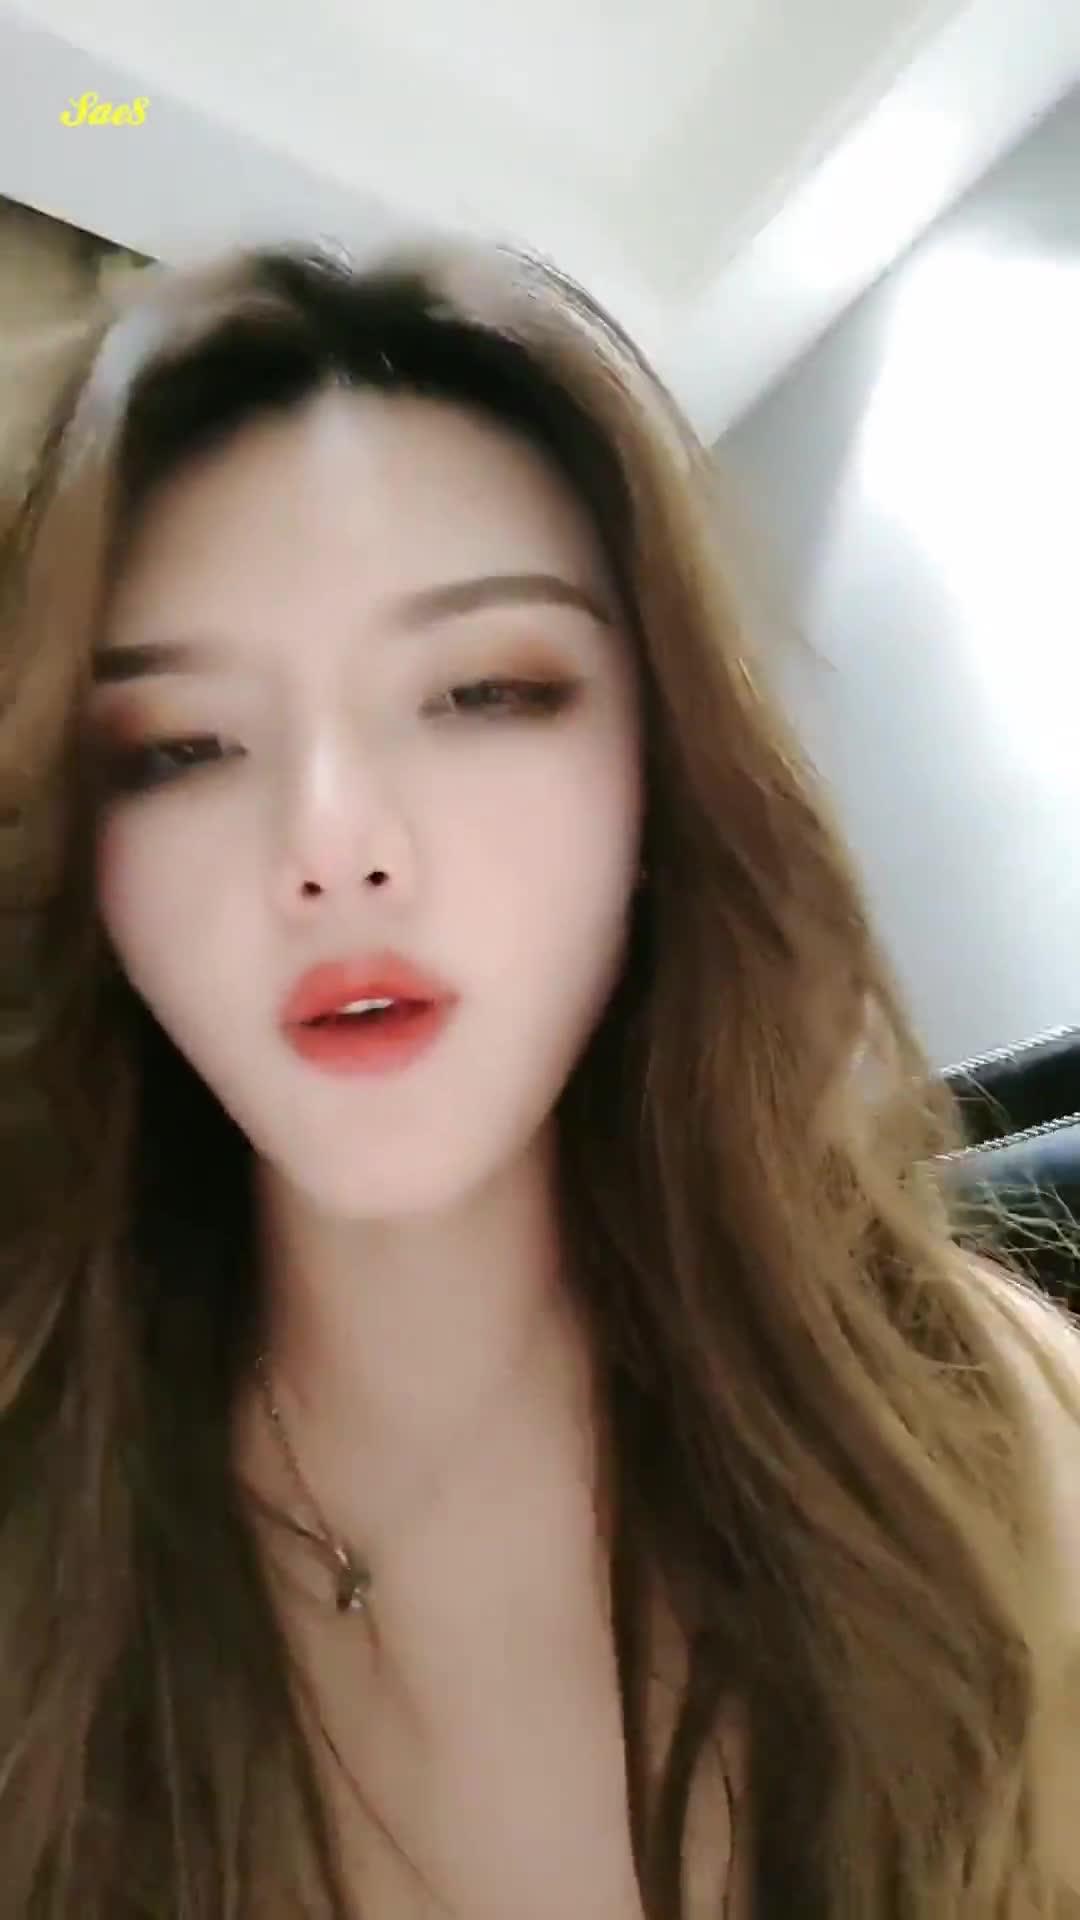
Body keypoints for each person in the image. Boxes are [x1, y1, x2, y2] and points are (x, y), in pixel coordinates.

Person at [0, 234, 1076, 1920]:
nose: (334, 844)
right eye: (180, 748)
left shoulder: (974, 1442)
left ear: (659, 775)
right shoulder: (39, 1515)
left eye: (485, 690)